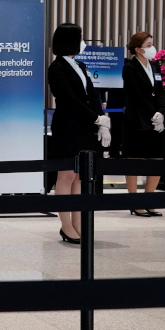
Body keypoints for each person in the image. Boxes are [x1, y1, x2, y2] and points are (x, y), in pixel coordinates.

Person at [47, 23, 108, 244]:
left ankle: (79, 223)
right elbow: (69, 100)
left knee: (81, 178)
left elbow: (92, 95)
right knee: (66, 176)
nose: (83, 42)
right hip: (68, 128)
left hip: (85, 128)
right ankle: (66, 225)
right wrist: (95, 118)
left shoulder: (80, 65)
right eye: (80, 37)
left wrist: (102, 121)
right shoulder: (57, 68)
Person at [121, 31, 165, 217]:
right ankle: (134, 202)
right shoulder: (129, 67)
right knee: (134, 160)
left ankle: (149, 199)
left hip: (156, 121)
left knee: (157, 158)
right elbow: (136, 94)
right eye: (148, 45)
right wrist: (152, 112)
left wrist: (161, 113)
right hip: (136, 119)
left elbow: (161, 92)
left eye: (152, 44)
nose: (152, 48)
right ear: (138, 48)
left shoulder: (155, 66)